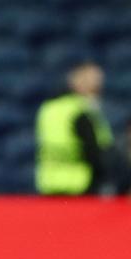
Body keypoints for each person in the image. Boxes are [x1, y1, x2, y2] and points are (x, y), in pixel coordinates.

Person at [35, 61, 112, 195]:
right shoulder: (82, 112)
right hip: (81, 185)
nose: (98, 87)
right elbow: (96, 153)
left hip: (49, 184)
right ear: (77, 82)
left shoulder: (48, 108)